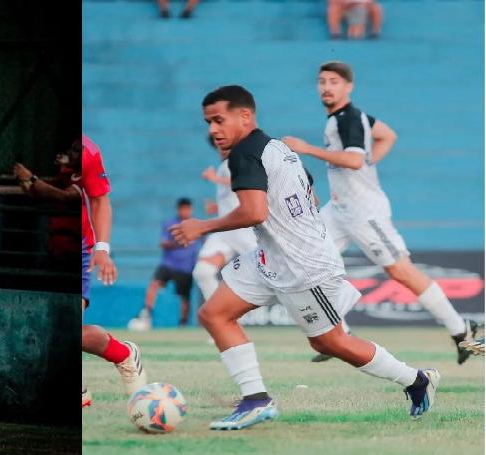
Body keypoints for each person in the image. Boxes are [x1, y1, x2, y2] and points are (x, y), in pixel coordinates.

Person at [171, 85, 438, 430]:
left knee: (331, 342)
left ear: (245, 116)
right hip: (272, 258)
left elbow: (254, 212)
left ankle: (416, 380)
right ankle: (255, 399)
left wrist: (201, 226)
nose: (213, 130)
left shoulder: (244, 155)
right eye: (208, 123)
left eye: (219, 120)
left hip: (303, 268)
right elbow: (309, 194)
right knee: (214, 313)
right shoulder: (277, 148)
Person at [281, 61, 477, 364]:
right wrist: (370, 162)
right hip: (339, 208)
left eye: (334, 81)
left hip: (363, 211)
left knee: (400, 271)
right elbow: (388, 135)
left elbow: (355, 161)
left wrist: (307, 148)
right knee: (307, 258)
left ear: (348, 87)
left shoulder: (348, 119)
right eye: (322, 81)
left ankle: (460, 330)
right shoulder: (348, 118)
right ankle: (339, 335)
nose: (326, 87)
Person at [81, 134, 146, 408]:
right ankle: (122, 353)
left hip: (79, 246)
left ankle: (123, 355)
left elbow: (100, 200)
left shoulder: (87, 150)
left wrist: (102, 248)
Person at [192, 145, 257, 307]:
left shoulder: (238, 161)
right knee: (203, 271)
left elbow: (243, 182)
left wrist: (214, 178)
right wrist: (217, 206)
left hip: (243, 230)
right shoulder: (224, 165)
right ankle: (220, 316)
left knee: (271, 272)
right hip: (224, 230)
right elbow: (232, 196)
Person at [132, 198, 201, 328]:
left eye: (187, 209)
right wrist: (179, 242)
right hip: (168, 264)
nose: (185, 211)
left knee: (184, 297)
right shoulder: (170, 224)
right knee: (154, 284)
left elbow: (205, 240)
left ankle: (183, 323)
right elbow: (163, 243)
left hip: (186, 268)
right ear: (178, 209)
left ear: (191, 209)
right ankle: (147, 311)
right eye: (182, 209)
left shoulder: (195, 225)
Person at [14, 141, 82, 268]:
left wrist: (32, 178)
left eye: (76, 150)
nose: (70, 153)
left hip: (77, 248)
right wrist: (23, 179)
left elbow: (64, 196)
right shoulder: (67, 176)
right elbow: (39, 191)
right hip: (56, 245)